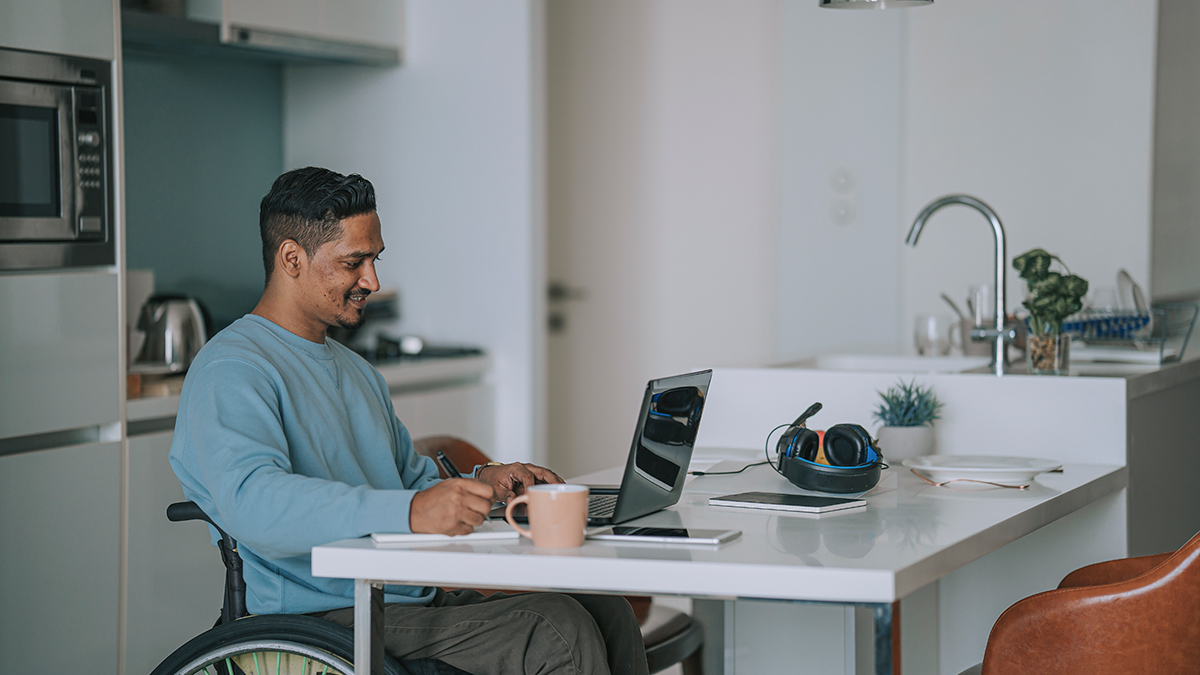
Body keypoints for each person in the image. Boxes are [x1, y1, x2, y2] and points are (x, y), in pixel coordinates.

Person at [169, 166, 648, 675]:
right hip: (319, 617)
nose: (372, 281)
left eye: (374, 260)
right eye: (354, 262)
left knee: (606, 609)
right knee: (555, 630)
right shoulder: (234, 369)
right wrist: (413, 512)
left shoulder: (356, 371)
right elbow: (255, 504)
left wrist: (481, 485)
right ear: (292, 258)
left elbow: (408, 482)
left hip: (397, 599)